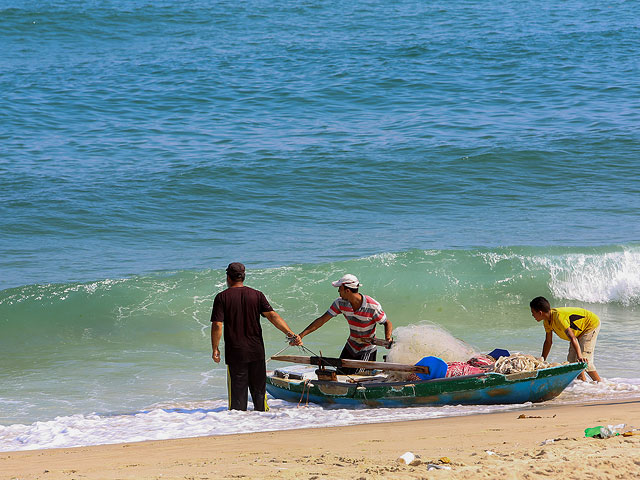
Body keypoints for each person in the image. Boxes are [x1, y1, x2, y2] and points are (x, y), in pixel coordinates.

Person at [210, 262, 302, 411]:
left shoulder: (222, 297)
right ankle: (263, 423)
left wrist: (215, 348)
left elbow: (217, 325)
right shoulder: (256, 295)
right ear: (243, 276)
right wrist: (291, 334)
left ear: (228, 277)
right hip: (257, 351)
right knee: (260, 394)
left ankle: (241, 427)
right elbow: (273, 316)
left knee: (237, 399)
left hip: (236, 353)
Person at [297, 274, 392, 374]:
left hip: (367, 349)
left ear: (347, 291)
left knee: (360, 378)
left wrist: (388, 338)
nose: (338, 292)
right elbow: (321, 320)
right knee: (339, 374)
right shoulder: (340, 303)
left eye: (340, 289)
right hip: (350, 346)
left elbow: (387, 323)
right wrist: (301, 335)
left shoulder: (373, 306)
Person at [530, 296, 601, 382]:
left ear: (540, 313)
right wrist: (542, 360)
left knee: (585, 361)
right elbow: (548, 342)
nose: (532, 315)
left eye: (533, 312)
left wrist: (580, 356)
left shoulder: (559, 317)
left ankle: (601, 385)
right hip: (578, 332)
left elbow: (572, 337)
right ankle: (583, 383)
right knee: (572, 361)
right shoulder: (546, 322)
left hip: (589, 326)